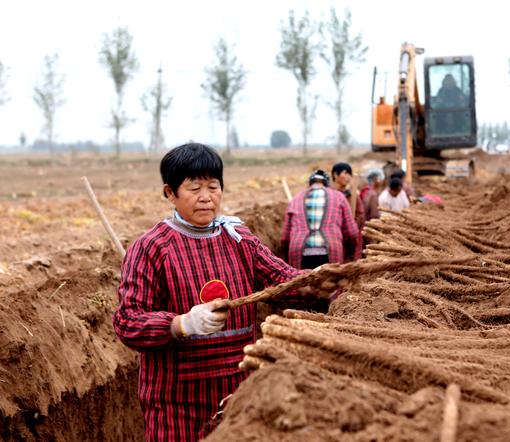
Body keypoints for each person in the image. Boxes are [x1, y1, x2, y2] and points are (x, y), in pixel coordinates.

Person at [113, 143, 338, 441]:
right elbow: (128, 321)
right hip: (177, 406)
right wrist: (180, 324)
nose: (206, 197)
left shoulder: (238, 239)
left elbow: (283, 281)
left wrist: (323, 282)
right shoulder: (152, 247)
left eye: (213, 186)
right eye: (194, 188)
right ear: (170, 193)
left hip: (238, 397)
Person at [281, 169, 360, 270]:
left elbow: (284, 238)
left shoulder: (295, 199)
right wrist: (351, 252)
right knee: (331, 285)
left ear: (310, 184)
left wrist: (285, 257)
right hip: (331, 250)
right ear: (327, 184)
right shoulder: (339, 197)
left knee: (302, 284)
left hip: (299, 251)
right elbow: (352, 232)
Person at [331, 162, 365, 231]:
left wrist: (352, 227)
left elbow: (360, 215)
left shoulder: (352, 195)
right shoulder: (329, 195)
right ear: (335, 175)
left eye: (350, 174)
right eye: (345, 173)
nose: (348, 177)